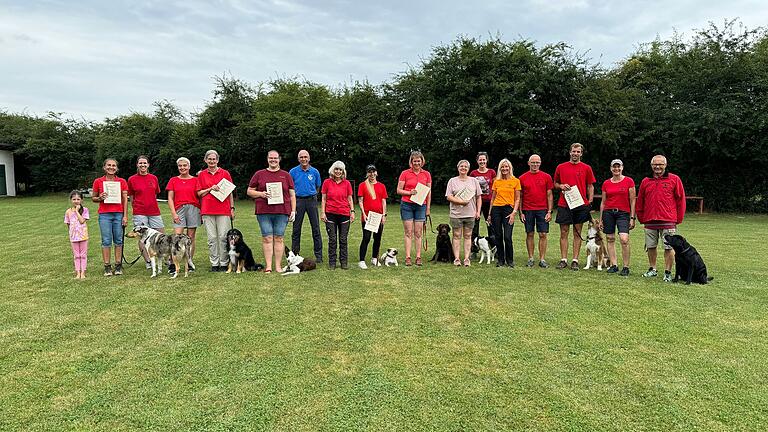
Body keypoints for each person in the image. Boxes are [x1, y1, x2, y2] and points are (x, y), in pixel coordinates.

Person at [636, 154, 686, 282]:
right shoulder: (645, 181)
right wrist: (641, 217)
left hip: (668, 220)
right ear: (651, 165)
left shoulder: (674, 179)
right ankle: (652, 269)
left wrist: (678, 218)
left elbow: (681, 200)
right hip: (650, 220)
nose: (657, 167)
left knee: (669, 247)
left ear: (665, 165)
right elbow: (640, 200)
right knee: (651, 246)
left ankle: (668, 272)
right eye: (655, 164)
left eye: (660, 164)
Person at [247, 150, 297, 273]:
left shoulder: (286, 175)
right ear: (267, 159)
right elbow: (249, 191)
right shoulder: (259, 174)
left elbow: (292, 195)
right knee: (267, 238)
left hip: (282, 211)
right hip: (264, 211)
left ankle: (278, 266)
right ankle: (269, 266)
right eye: (271, 158)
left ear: (279, 159)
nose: (273, 160)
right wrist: (261, 194)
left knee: (279, 238)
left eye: (275, 158)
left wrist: (293, 210)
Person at [553, 143, 596, 271]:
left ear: (581, 153)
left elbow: (590, 186)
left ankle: (575, 260)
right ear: (570, 152)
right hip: (564, 204)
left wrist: (590, 201)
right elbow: (554, 183)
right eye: (573, 151)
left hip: (580, 204)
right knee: (564, 232)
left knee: (577, 233)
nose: (575, 154)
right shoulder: (561, 167)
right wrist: (560, 186)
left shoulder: (587, 168)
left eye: (578, 152)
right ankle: (563, 259)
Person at [196, 150, 235, 272]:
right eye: (209, 159)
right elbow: (199, 193)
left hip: (223, 210)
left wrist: (232, 208)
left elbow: (230, 193)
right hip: (207, 210)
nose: (212, 161)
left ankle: (224, 262)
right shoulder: (201, 175)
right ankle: (214, 263)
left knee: (223, 237)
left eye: (214, 159)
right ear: (205, 160)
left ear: (217, 160)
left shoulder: (225, 173)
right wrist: (210, 188)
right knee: (212, 238)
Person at [599, 159, 636, 276]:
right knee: (610, 238)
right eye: (614, 167)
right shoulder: (606, 183)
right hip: (608, 213)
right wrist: (600, 219)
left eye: (618, 167)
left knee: (624, 239)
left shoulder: (629, 181)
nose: (616, 169)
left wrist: (632, 218)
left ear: (622, 168)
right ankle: (614, 265)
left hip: (623, 213)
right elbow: (603, 202)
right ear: (611, 168)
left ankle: (626, 267)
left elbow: (633, 201)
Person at [91, 158, 128, 276]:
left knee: (118, 240)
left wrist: (125, 216)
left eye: (113, 166)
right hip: (104, 214)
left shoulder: (122, 181)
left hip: (118, 214)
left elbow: (125, 200)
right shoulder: (98, 181)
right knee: (106, 240)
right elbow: (94, 198)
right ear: (104, 167)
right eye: (108, 165)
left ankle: (118, 265)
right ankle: (107, 266)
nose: (111, 167)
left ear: (116, 168)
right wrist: (100, 198)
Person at [127, 155, 164, 270]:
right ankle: (148, 261)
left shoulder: (153, 178)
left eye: (145, 163)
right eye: (140, 163)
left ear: (148, 165)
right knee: (143, 237)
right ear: (137, 165)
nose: (142, 165)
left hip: (154, 211)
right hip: (139, 212)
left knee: (160, 235)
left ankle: (161, 259)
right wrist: (136, 207)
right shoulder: (132, 179)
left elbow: (155, 193)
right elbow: (131, 196)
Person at [519, 154, 554, 268]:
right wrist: (521, 212)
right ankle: (530, 258)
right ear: (528, 163)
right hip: (528, 209)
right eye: (533, 162)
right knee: (530, 234)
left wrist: (549, 211)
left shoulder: (547, 177)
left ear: (540, 163)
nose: (535, 165)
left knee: (543, 234)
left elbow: (549, 195)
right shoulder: (522, 178)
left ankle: (542, 259)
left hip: (542, 209)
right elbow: (520, 197)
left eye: (537, 162)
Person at [397, 150, 431, 266]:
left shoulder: (426, 174)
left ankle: (418, 256)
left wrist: (428, 208)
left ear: (422, 161)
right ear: (411, 162)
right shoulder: (405, 173)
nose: (416, 163)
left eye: (418, 161)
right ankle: (407, 257)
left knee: (418, 232)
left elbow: (428, 193)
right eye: (414, 161)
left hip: (421, 206)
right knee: (408, 232)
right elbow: (398, 190)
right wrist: (409, 192)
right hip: (407, 205)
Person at [446, 160, 482, 267]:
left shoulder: (474, 181)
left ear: (468, 168)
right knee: (456, 235)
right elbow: (448, 196)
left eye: (466, 166)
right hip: (456, 214)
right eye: (461, 166)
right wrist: (461, 202)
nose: (463, 168)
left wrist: (478, 211)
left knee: (468, 235)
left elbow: (479, 196)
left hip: (470, 213)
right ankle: (457, 258)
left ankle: (467, 258)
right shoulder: (452, 181)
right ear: (458, 168)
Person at [289, 149, 323, 263]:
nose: (304, 159)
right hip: (298, 201)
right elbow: (290, 188)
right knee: (296, 229)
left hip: (311, 201)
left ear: (309, 158)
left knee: (316, 228)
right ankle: (295, 253)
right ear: (298, 159)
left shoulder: (315, 172)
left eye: (305, 157)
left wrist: (311, 195)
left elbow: (318, 187)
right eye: (301, 157)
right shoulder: (293, 172)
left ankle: (319, 255)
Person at [166, 157, 199, 271]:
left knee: (190, 237)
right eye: (180, 166)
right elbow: (170, 198)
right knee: (177, 237)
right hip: (179, 209)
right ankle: (174, 263)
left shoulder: (196, 180)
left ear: (189, 167)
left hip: (193, 208)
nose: (182, 168)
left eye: (185, 165)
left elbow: (200, 195)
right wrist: (174, 213)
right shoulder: (173, 180)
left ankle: (189, 262)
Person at [320, 161, 355, 269]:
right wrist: (323, 212)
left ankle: (343, 262)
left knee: (343, 239)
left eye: (340, 170)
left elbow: (350, 199)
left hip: (344, 214)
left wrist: (352, 211)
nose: (338, 171)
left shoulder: (347, 183)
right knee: (332, 239)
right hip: (330, 214)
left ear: (343, 171)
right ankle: (332, 262)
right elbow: (323, 198)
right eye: (336, 169)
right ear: (333, 170)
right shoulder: (327, 182)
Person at [488, 158, 521, 267]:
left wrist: (514, 213)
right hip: (496, 209)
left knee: (507, 236)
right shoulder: (496, 181)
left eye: (506, 166)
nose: (504, 168)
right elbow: (492, 199)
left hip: (509, 210)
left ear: (510, 168)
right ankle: (500, 260)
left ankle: (510, 260)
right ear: (500, 168)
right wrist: (489, 214)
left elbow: (517, 199)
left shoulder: (515, 181)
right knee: (498, 235)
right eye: (502, 166)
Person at [357, 164, 388, 269]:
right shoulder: (363, 185)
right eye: (370, 172)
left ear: (376, 173)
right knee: (366, 238)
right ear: (367, 174)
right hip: (367, 216)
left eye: (373, 171)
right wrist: (364, 213)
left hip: (379, 216)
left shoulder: (382, 186)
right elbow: (360, 201)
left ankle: (374, 258)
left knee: (377, 238)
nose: (372, 174)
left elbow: (384, 202)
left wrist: (384, 215)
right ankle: (361, 260)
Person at [470, 152, 496, 240]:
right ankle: (474, 248)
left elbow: (495, 187)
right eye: (480, 160)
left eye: (484, 159)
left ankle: (493, 248)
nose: (482, 161)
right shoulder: (473, 173)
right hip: (476, 202)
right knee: (475, 225)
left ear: (486, 160)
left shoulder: (492, 172)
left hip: (489, 202)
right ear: (477, 161)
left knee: (490, 224)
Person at [65, 190, 90, 279]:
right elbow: (68, 224)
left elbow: (82, 221)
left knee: (83, 255)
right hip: (73, 237)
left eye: (78, 199)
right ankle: (77, 272)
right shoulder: (68, 212)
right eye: (74, 199)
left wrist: (76, 211)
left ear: (81, 200)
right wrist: (71, 234)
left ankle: (83, 272)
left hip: (83, 236)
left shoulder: (85, 210)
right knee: (76, 255)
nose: (76, 201)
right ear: (71, 200)